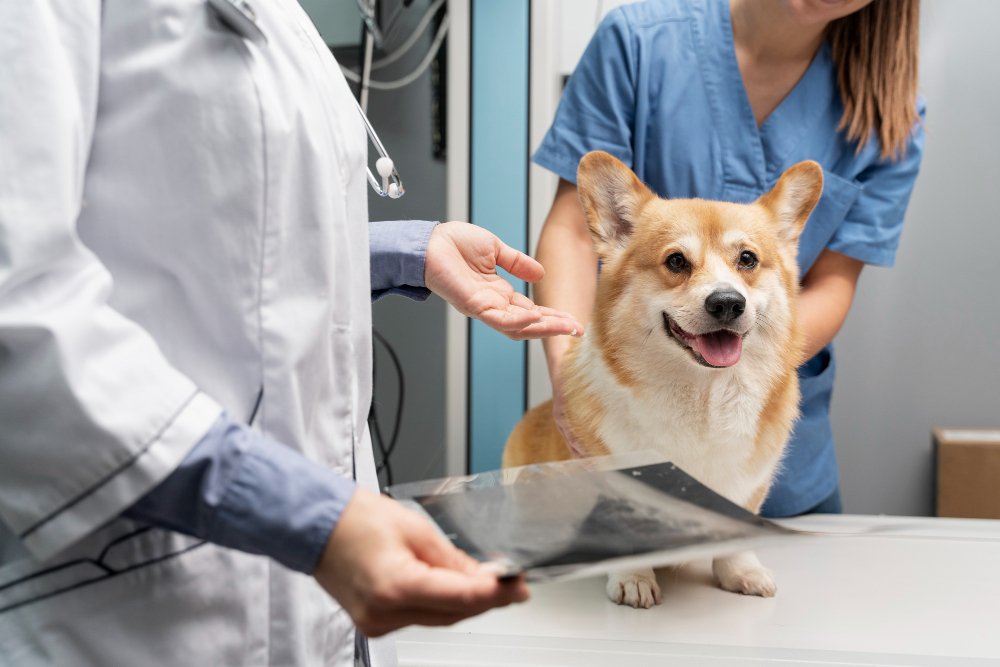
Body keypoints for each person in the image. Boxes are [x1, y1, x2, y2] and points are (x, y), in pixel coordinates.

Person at [0, 1, 583, 666]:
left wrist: (406, 251)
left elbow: (207, 247)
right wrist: (307, 514)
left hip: (311, 605)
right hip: (138, 610)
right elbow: (20, 308)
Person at [533, 0, 925, 517]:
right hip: (627, 432)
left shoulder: (888, 114)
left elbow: (833, 283)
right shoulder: (639, 40)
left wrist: (743, 377)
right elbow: (576, 233)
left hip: (769, 460)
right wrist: (571, 377)